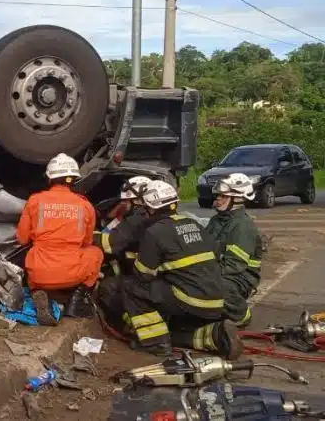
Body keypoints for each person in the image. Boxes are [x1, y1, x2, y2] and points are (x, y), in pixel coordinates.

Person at [121, 181, 242, 359]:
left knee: (131, 287)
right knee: (176, 330)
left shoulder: (155, 232)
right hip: (216, 300)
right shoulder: (195, 224)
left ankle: (156, 344)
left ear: (151, 209)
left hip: (190, 300)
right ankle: (217, 335)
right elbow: (212, 254)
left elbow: (143, 276)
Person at [17, 153, 103, 326]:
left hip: (40, 272)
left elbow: (22, 238)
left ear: (50, 178)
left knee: (32, 252)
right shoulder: (85, 205)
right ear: (74, 180)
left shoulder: (35, 201)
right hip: (73, 272)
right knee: (95, 253)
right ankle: (76, 301)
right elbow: (86, 242)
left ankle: (37, 291)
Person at [204, 173, 264, 327]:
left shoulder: (242, 226)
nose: (218, 199)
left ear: (237, 199)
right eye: (218, 195)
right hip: (218, 269)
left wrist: (205, 272)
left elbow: (235, 265)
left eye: (223, 196)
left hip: (241, 277)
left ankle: (241, 315)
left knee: (214, 285)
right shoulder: (216, 220)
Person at [95, 175, 153, 278]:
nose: (124, 205)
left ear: (138, 201)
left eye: (126, 201)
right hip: (147, 271)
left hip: (141, 276)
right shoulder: (150, 216)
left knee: (107, 286)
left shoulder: (137, 221)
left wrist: (86, 235)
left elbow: (108, 242)